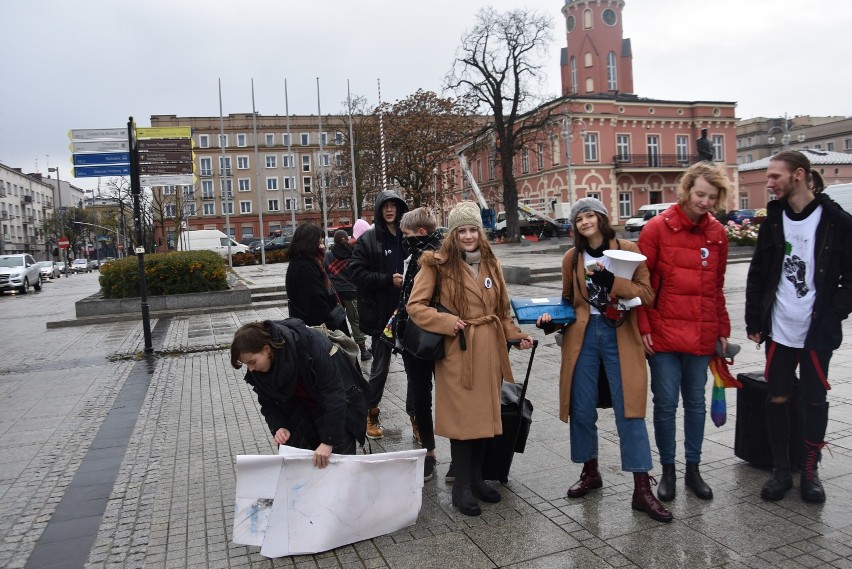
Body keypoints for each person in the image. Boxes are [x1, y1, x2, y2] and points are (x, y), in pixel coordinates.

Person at [536, 198, 671, 523]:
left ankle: (642, 487)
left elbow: (647, 294)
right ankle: (590, 471)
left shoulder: (627, 248)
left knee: (631, 410)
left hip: (620, 335)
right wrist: (551, 321)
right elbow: (568, 302)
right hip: (582, 338)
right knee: (581, 408)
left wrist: (613, 283)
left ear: (601, 217)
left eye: (589, 214)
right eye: (579, 217)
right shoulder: (572, 258)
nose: (585, 221)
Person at [407, 201, 534, 516]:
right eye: (461, 230)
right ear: (452, 234)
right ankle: (461, 486)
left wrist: (516, 337)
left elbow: (500, 312)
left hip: (489, 351)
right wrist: (448, 323)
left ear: (481, 231)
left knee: (484, 420)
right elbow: (416, 306)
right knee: (464, 422)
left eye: (472, 229)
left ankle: (477, 479)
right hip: (457, 352)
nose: (467, 235)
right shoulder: (436, 264)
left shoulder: (492, 263)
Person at [745, 151, 852, 503]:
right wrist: (754, 319)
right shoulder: (774, 220)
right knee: (776, 398)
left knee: (813, 399)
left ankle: (809, 469)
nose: (769, 183)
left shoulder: (836, 220)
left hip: (817, 330)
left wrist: (835, 311)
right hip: (780, 329)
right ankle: (780, 469)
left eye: (775, 176)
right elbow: (759, 271)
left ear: (799, 175)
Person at [638, 161, 731, 503]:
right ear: (687, 190)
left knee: (695, 403)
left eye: (712, 196)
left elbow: (717, 287)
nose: (705, 202)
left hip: (701, 334)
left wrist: (722, 327)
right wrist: (644, 326)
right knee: (664, 405)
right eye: (700, 194)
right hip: (662, 335)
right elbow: (641, 285)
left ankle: (693, 468)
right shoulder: (656, 229)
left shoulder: (718, 233)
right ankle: (667, 470)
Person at [230, 319, 369, 467]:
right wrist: (278, 426)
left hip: (336, 409)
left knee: (338, 469)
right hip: (300, 409)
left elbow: (335, 395)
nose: (250, 369)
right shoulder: (259, 369)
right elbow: (268, 403)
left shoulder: (311, 345)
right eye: (246, 364)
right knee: (298, 468)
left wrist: (329, 442)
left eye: (252, 362)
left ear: (266, 349)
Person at [350, 190, 410, 439]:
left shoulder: (408, 237)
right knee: (380, 368)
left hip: (409, 313)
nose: (389, 210)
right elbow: (356, 273)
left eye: (394, 206)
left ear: (399, 209)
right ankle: (369, 414)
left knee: (414, 370)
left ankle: (417, 419)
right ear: (378, 210)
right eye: (385, 206)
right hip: (383, 316)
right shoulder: (369, 239)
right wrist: (387, 280)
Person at [394, 207, 443, 480]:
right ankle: (429, 452)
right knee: (421, 397)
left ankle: (457, 455)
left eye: (407, 234)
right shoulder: (413, 256)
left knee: (445, 396)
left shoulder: (440, 257)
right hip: (412, 338)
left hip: (435, 336)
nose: (404, 238)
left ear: (421, 233)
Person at [285, 223, 349, 334]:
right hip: (318, 330)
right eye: (319, 242)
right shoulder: (304, 267)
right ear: (309, 243)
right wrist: (333, 325)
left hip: (317, 325)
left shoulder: (309, 262)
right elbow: (316, 302)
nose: (323, 246)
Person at [325, 229, 372, 361]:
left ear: (334, 240)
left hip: (335, 294)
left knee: (339, 322)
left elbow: (326, 274)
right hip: (351, 292)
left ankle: (341, 350)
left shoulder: (328, 256)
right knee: (355, 321)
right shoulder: (352, 254)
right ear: (347, 238)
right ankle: (363, 350)